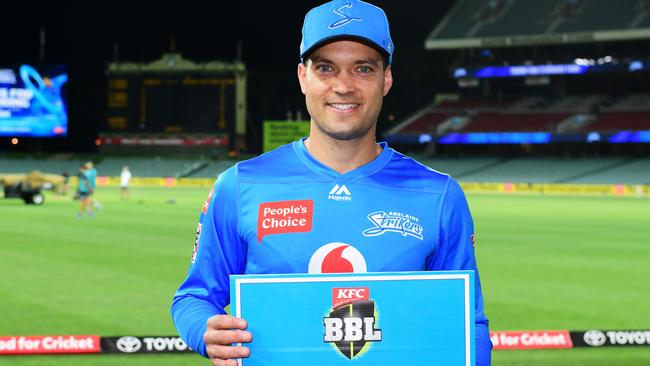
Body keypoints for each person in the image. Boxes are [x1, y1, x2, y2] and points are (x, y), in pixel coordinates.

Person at [171, 1, 492, 365]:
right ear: (302, 76)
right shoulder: (240, 185)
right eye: (325, 68)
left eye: (363, 69)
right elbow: (194, 297)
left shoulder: (439, 195)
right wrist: (206, 332)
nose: (343, 86)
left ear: (386, 79)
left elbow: (468, 326)